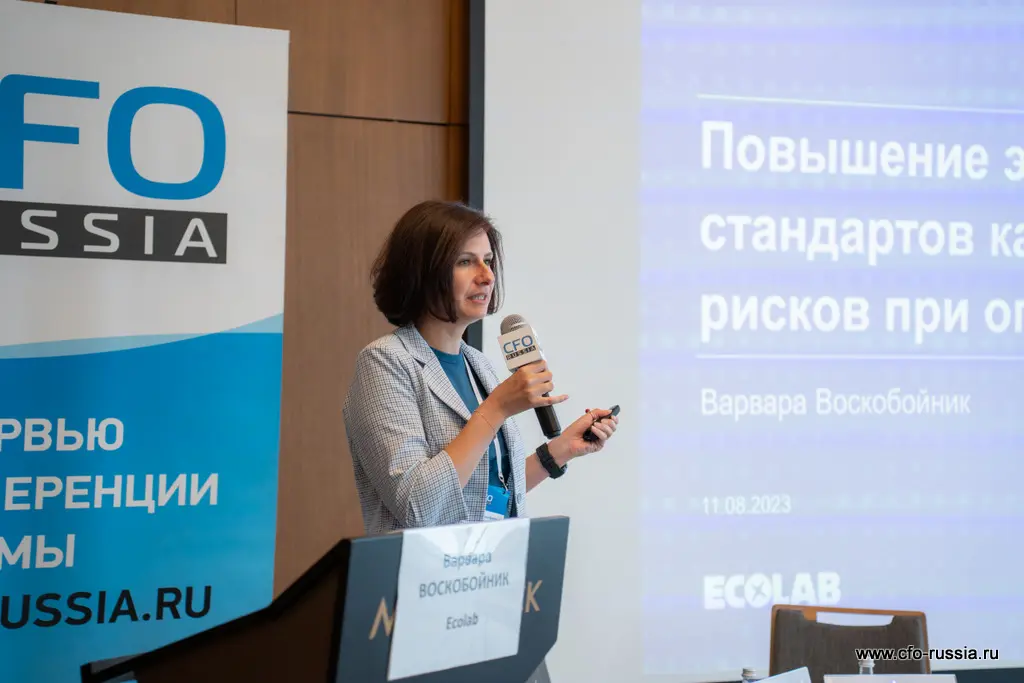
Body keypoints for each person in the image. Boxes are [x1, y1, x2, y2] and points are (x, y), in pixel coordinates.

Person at [343, 199, 619, 535]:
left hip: (491, 562)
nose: (487, 276)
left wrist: (561, 450)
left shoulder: (478, 364)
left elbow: (484, 494)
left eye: (488, 261)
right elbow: (417, 505)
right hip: (424, 567)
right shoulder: (385, 362)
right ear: (422, 272)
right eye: (465, 262)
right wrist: (497, 408)